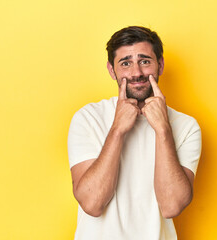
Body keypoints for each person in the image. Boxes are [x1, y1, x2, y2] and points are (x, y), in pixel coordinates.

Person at [68, 26, 202, 240]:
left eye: (145, 61)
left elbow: (171, 205)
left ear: (160, 65)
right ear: (112, 70)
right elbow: (92, 204)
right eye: (126, 63)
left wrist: (163, 130)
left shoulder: (186, 126)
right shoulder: (88, 118)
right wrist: (118, 129)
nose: (136, 73)